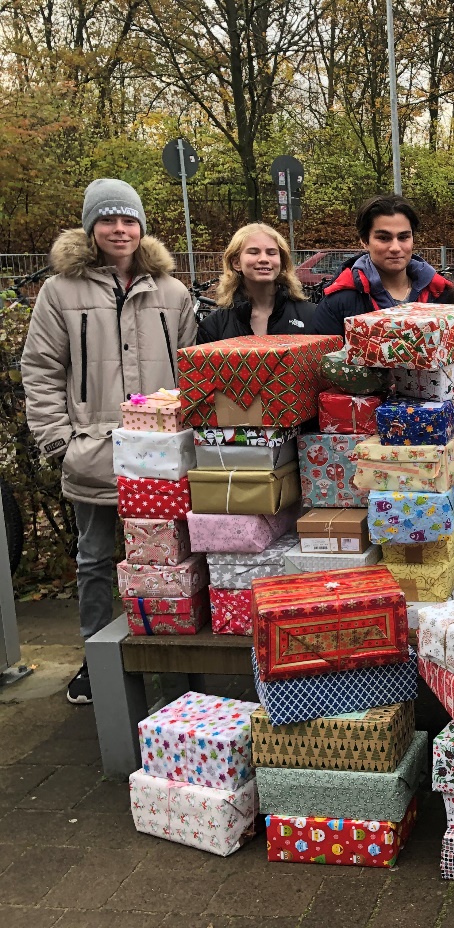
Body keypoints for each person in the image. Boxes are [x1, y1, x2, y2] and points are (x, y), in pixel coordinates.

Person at [21, 179, 196, 704]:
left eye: (128, 220)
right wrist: (58, 441)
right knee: (95, 557)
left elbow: (192, 370)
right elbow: (41, 369)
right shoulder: (60, 292)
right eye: (107, 220)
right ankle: (95, 658)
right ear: (90, 227)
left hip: (161, 453)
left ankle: (171, 649)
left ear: (141, 227)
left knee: (171, 557)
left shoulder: (172, 291)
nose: (119, 230)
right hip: (92, 447)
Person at [310, 194, 451, 336]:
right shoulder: (338, 304)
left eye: (403, 237)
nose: (395, 248)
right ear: (365, 241)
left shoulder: (442, 294)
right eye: (384, 238)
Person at [197, 223, 315, 342]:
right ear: (236, 263)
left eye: (271, 253)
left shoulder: (311, 316)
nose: (264, 259)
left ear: (281, 262)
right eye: (254, 252)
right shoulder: (213, 327)